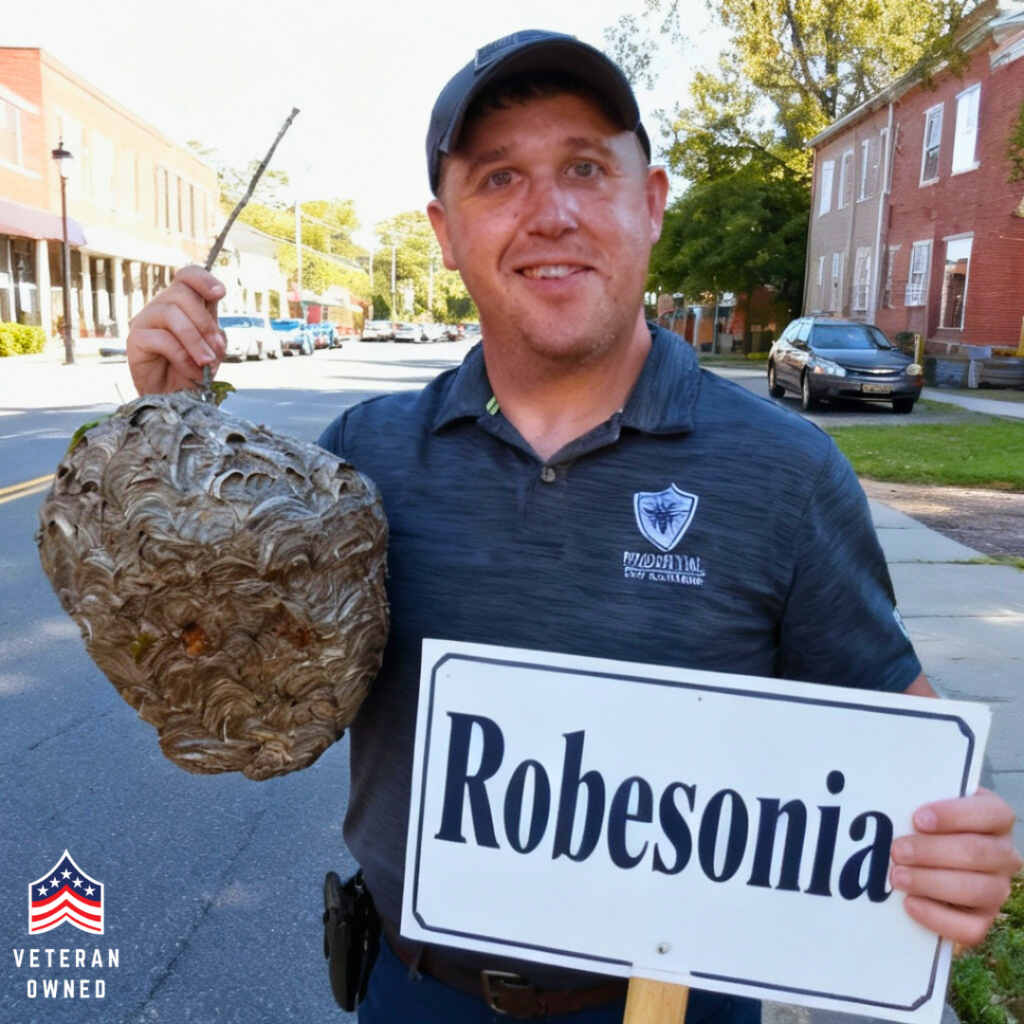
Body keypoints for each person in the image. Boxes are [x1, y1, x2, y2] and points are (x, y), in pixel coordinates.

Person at [127, 30, 1021, 1024]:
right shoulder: (357, 462)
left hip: (671, 1002)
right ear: (445, 230)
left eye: (585, 168)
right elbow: (233, 687)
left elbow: (907, 747)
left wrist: (958, 843)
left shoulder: (783, 471)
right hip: (416, 994)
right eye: (499, 177)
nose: (547, 213)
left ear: (650, 203)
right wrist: (166, 442)